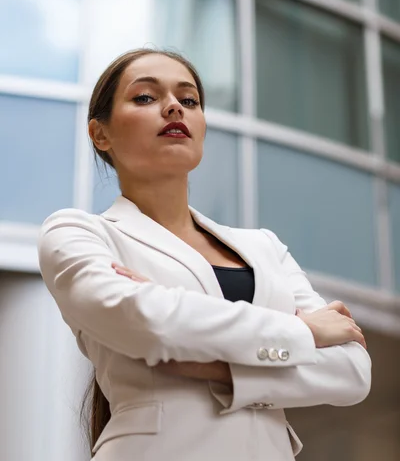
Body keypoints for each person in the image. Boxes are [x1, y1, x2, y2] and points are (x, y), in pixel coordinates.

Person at [37, 48, 371, 461]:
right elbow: (146, 321)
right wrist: (303, 332)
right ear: (100, 134)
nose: (174, 107)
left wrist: (221, 370)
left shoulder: (264, 246)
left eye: (189, 100)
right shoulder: (77, 233)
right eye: (145, 97)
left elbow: (353, 372)